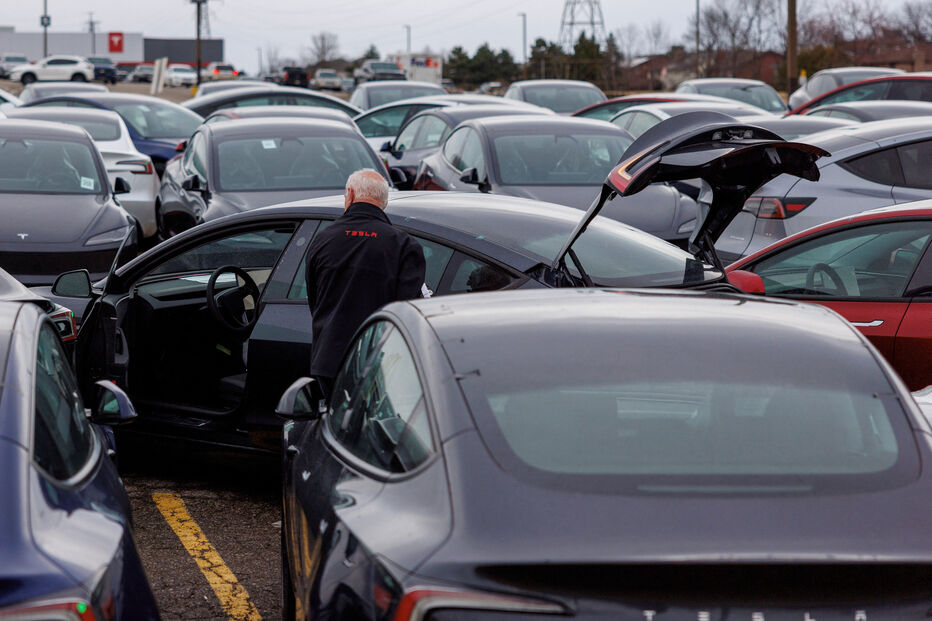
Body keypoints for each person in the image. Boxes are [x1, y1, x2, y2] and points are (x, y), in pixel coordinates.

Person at [305, 169, 426, 398]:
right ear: (385, 202)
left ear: (349, 195)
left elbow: (315, 301)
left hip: (329, 361)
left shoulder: (323, 239)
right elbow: (407, 311)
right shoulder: (404, 246)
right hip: (381, 365)